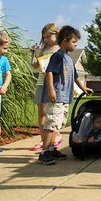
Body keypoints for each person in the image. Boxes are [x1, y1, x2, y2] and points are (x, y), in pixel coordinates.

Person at [38, 25, 93, 165]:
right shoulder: (58, 56)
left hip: (63, 97)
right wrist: (51, 90)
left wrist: (83, 87)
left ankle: (51, 149)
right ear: (65, 41)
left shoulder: (68, 58)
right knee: (51, 124)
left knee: (57, 124)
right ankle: (44, 152)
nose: (75, 45)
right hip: (56, 95)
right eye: (74, 42)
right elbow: (49, 72)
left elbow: (75, 76)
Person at [28, 23, 63, 152]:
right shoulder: (43, 50)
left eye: (49, 36)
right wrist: (33, 53)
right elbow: (35, 65)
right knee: (42, 113)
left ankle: (55, 137)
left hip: (53, 85)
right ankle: (43, 140)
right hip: (41, 84)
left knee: (53, 113)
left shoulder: (60, 50)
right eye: (44, 37)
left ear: (57, 35)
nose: (47, 39)